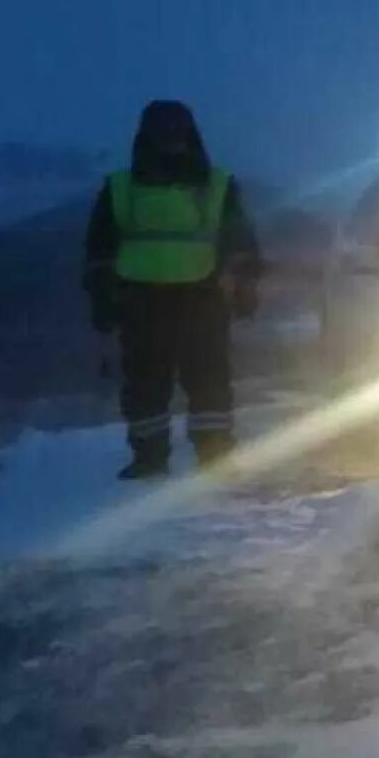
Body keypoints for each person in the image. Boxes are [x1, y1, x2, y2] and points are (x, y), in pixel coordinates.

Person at [84, 101, 262, 479]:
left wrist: (245, 284)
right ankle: (175, 454)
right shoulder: (124, 187)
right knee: (172, 380)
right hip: (160, 298)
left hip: (179, 297)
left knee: (188, 379)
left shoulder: (212, 184)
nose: (169, 142)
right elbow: (100, 250)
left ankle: (194, 454)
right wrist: (102, 296)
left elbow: (240, 242)